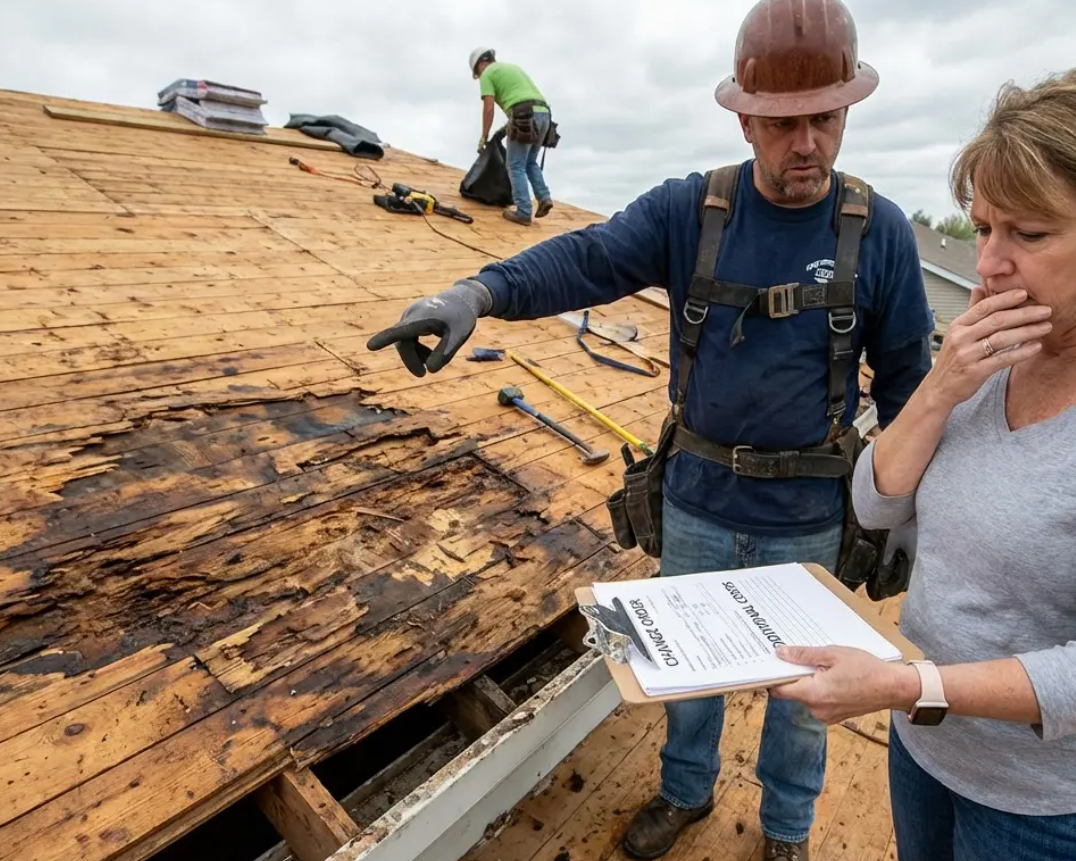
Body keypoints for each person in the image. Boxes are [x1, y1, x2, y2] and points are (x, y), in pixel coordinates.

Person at [377, 4, 935, 857]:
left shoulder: (878, 231)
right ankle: (685, 792)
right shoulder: (692, 211)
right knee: (688, 677)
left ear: (848, 110)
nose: (808, 145)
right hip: (699, 502)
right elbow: (587, 258)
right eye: (784, 124)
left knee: (809, 697)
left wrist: (908, 515)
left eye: (825, 118)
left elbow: (907, 387)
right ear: (744, 117)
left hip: (813, 518)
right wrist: (476, 293)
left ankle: (786, 829)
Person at [768, 65, 1076, 860]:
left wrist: (905, 683)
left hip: (1058, 803)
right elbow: (872, 503)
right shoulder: (997, 353)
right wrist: (938, 388)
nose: (990, 264)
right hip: (931, 746)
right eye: (983, 229)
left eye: (1029, 235)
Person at [469, 46, 554, 225]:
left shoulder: (487, 74)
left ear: (480, 64)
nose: (479, 76)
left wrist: (484, 136)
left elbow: (489, 107)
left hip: (524, 114)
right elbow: (524, 101)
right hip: (544, 115)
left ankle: (523, 212)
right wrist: (501, 132)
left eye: (477, 72)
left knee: (515, 165)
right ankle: (544, 197)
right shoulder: (513, 68)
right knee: (530, 162)